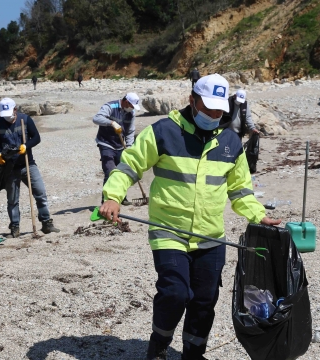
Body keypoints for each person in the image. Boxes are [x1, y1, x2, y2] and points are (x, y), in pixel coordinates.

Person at [99, 74, 281, 360]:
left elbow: (240, 191)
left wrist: (258, 216)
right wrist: (112, 196)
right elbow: (129, 165)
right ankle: (158, 346)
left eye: (219, 110)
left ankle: (193, 354)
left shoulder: (231, 142)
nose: (214, 115)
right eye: (207, 108)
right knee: (175, 292)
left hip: (210, 236)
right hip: (168, 231)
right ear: (191, 100)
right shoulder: (163, 132)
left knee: (205, 301)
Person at [0, 98, 59, 238]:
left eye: (10, 113)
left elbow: (36, 137)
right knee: (13, 200)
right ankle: (15, 227)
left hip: (28, 164)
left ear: (15, 109)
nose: (7, 117)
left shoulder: (25, 120)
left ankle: (46, 223)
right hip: (9, 167)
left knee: (40, 193)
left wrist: (26, 146)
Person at [93, 93, 140, 206]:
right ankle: (106, 201)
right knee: (109, 172)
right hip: (106, 143)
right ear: (126, 102)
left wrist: (129, 147)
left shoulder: (131, 113)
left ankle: (122, 197)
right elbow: (96, 118)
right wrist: (111, 123)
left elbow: (130, 131)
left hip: (120, 145)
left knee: (122, 172)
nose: (132, 109)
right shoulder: (110, 106)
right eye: (131, 106)